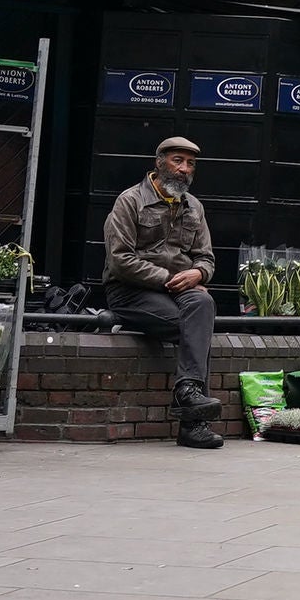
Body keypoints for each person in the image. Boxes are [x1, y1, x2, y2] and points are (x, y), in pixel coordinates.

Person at [103, 137, 225, 450]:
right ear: (160, 162)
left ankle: (187, 390)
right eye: (178, 161)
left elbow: (206, 257)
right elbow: (120, 260)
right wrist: (168, 278)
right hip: (131, 291)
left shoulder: (194, 206)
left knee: (203, 302)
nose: (185, 169)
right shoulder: (129, 201)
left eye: (190, 164)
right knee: (197, 328)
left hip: (178, 291)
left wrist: (199, 273)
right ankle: (193, 424)